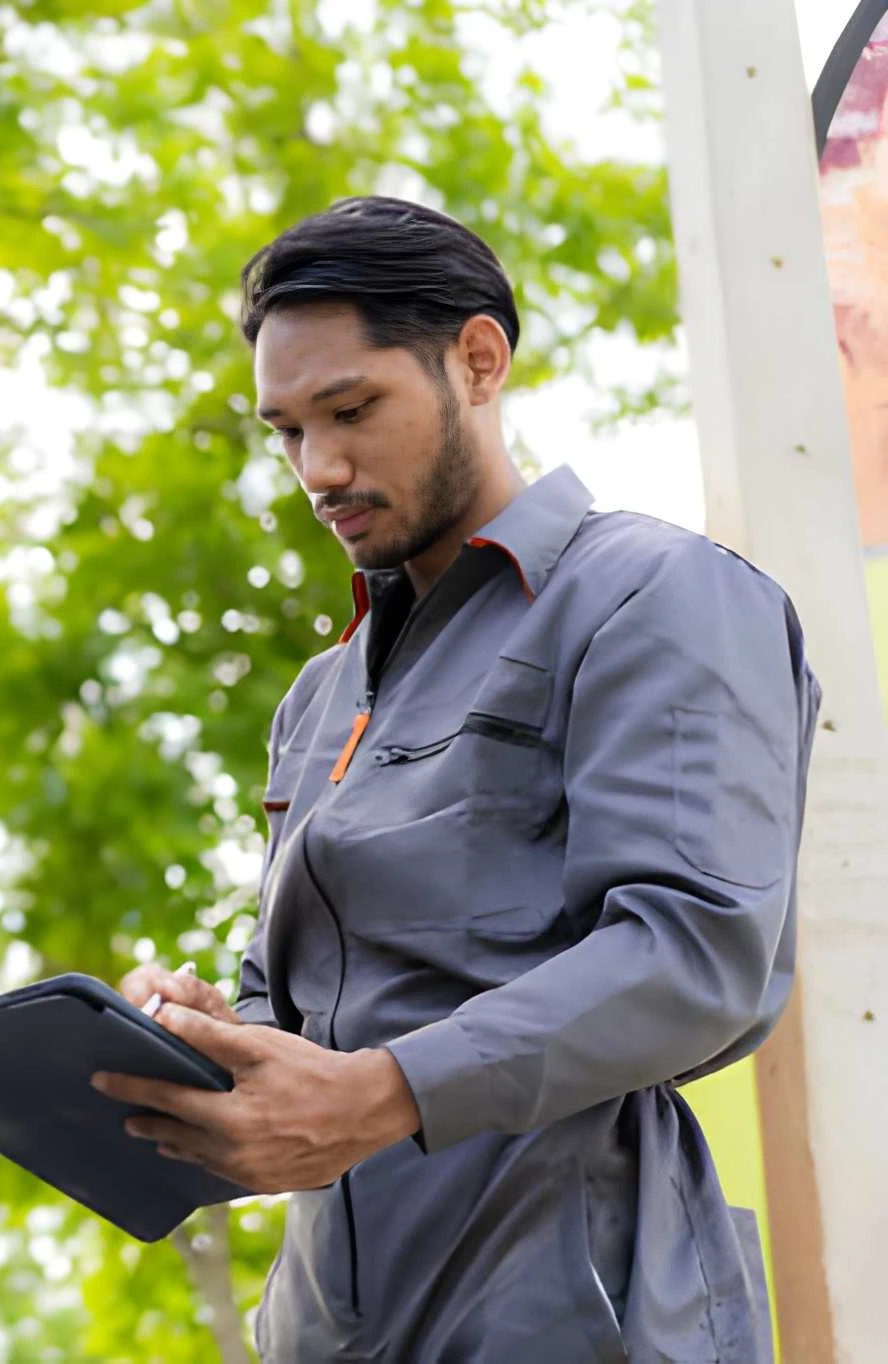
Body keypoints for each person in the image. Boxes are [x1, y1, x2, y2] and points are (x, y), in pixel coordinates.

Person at [90, 196, 819, 1362]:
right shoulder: (320, 695)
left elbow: (696, 954)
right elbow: (309, 1007)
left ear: (477, 360)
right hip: (325, 1325)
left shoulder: (655, 594)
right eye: (284, 430)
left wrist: (377, 1091)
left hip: (574, 1311)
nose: (317, 467)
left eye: (350, 408)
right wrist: (210, 1040)